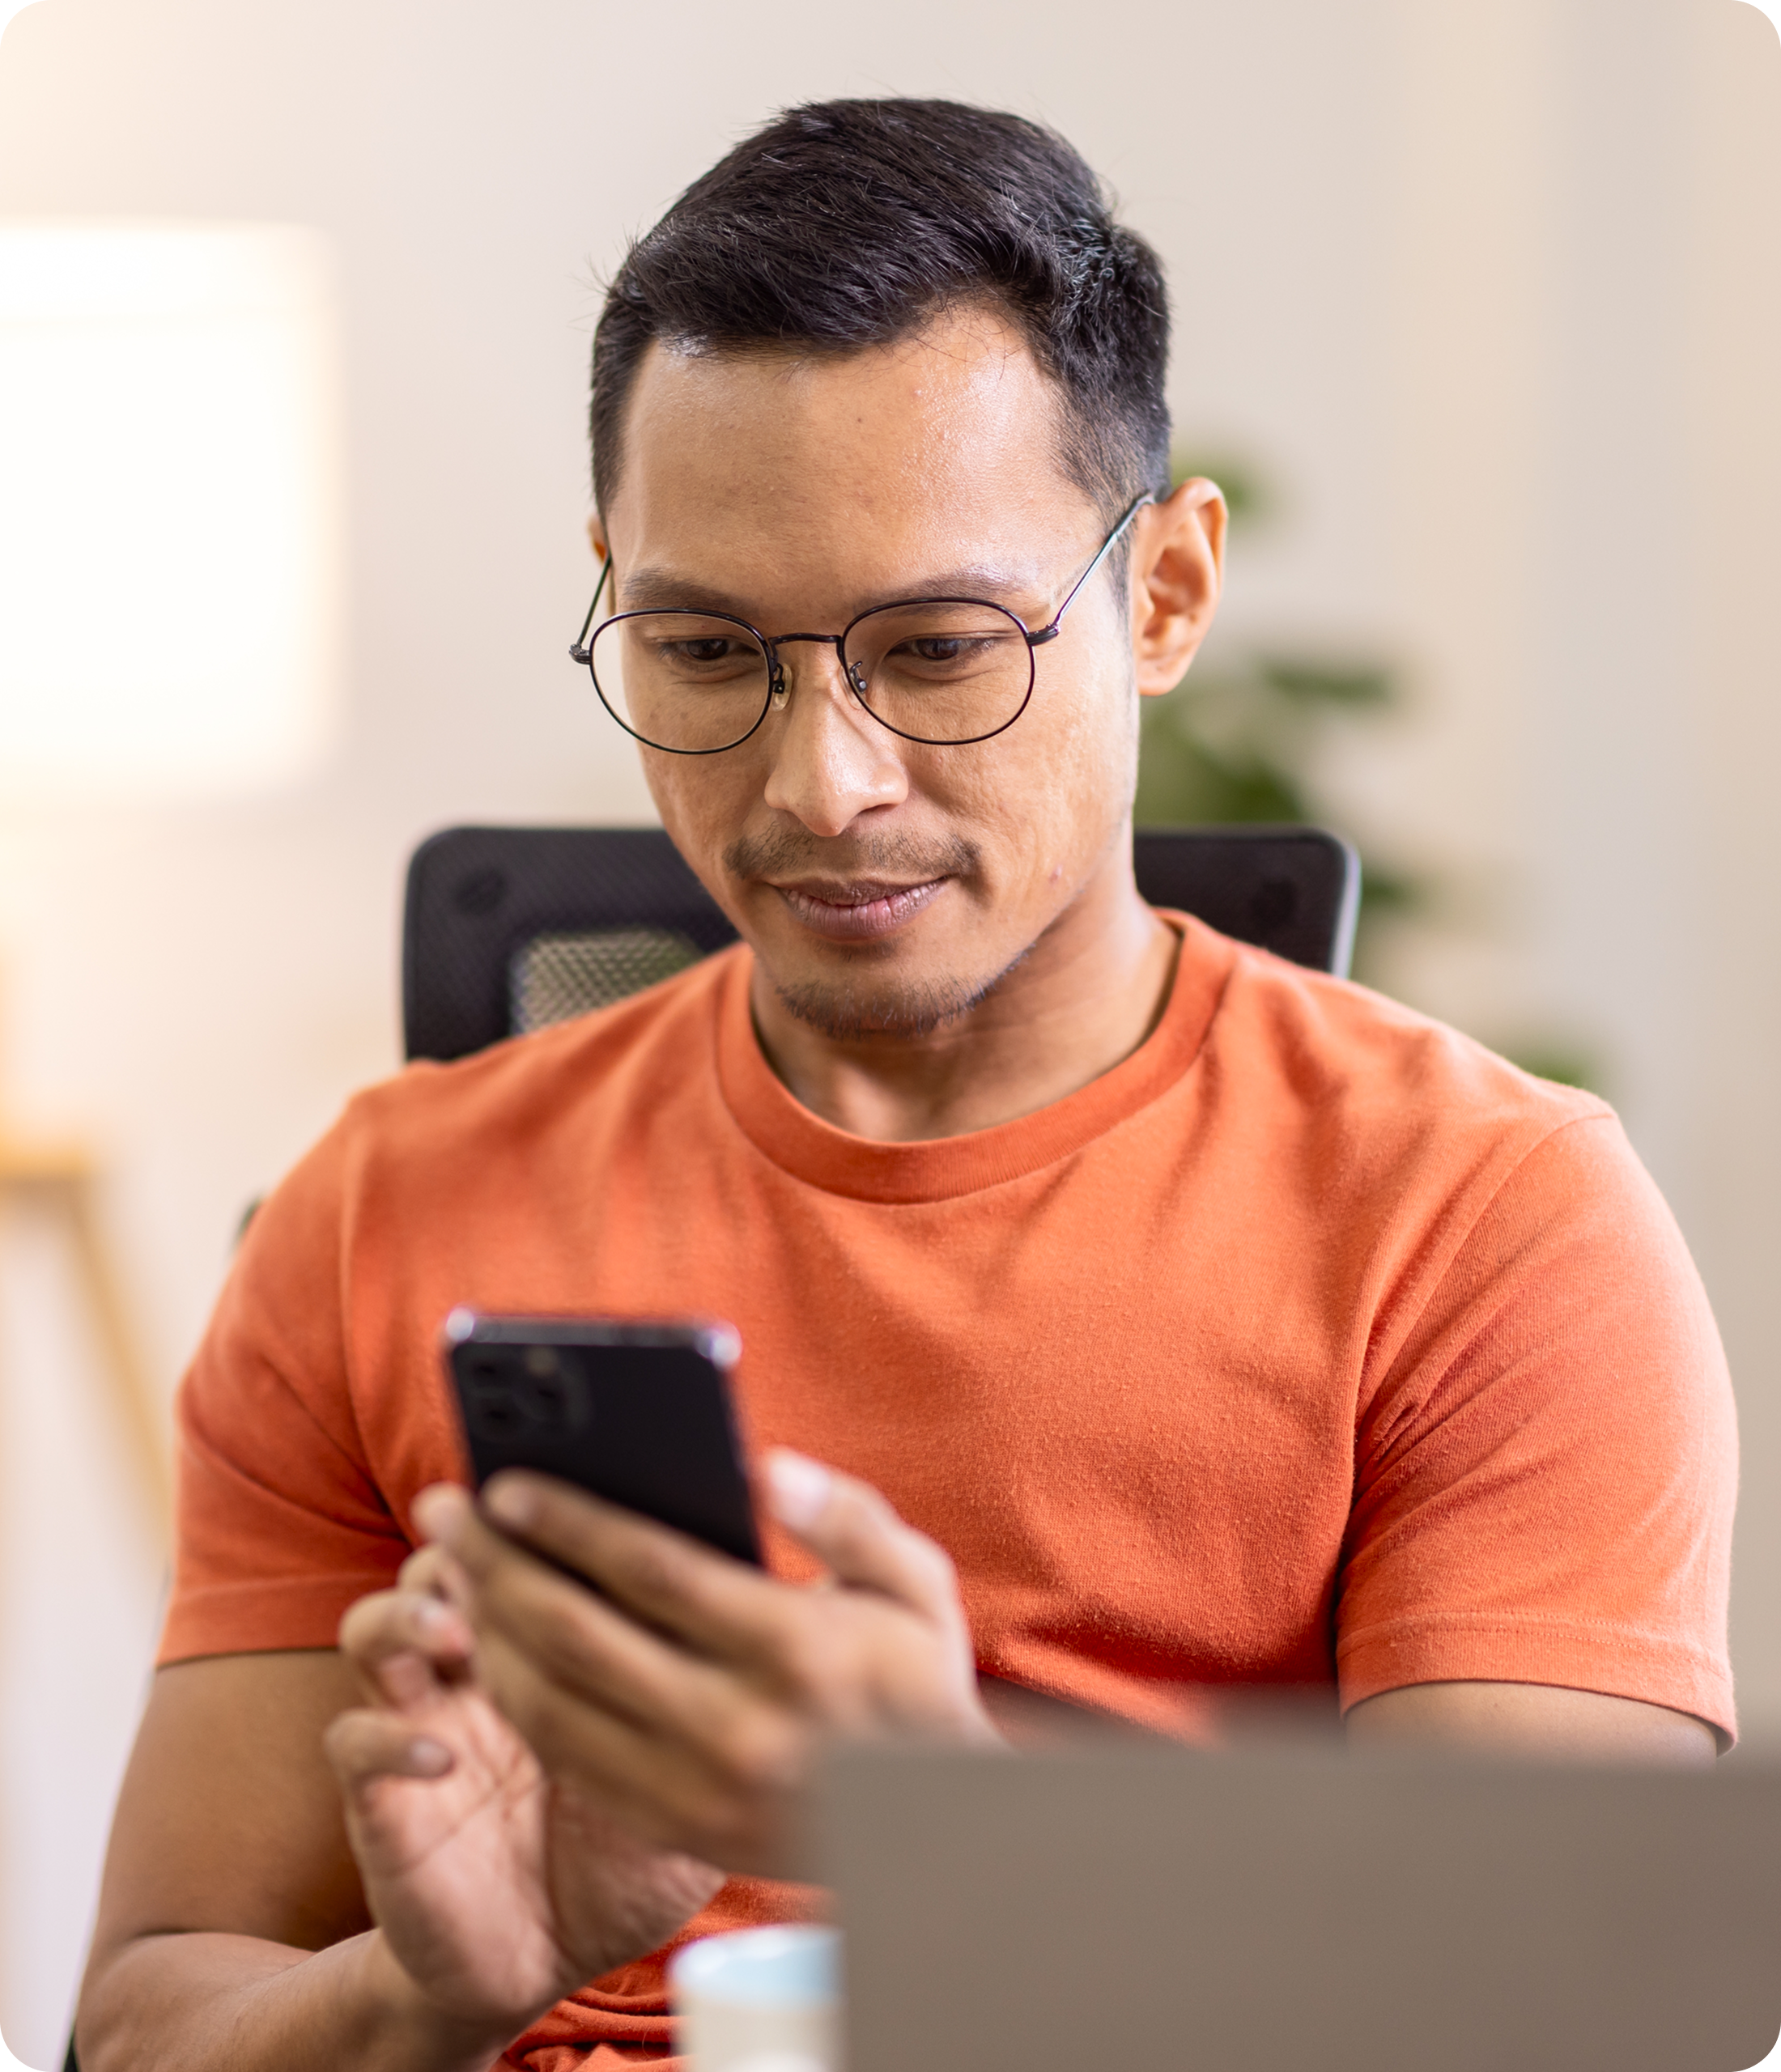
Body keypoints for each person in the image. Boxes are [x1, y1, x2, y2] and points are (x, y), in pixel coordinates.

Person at [76, 98, 1736, 2072]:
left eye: (939, 648)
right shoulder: (379, 1204)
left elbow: (1559, 2007)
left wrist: (939, 1831)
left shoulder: (1483, 1217)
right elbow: (148, 2009)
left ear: (1163, 595)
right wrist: (427, 1987)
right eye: (705, 649)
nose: (820, 784)